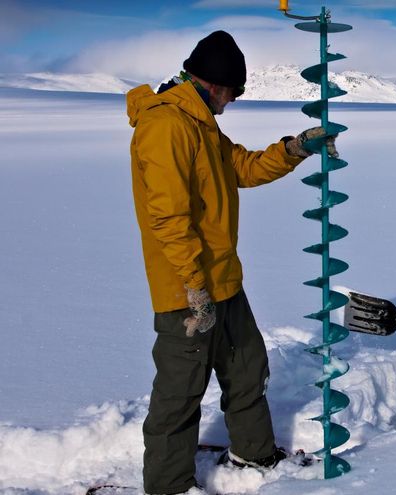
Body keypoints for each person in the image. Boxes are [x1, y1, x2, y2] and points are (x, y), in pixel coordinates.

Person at [126, 30, 337, 494]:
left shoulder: (200, 123)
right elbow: (169, 218)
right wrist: (192, 288)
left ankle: (253, 453)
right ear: (216, 85)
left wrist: (294, 148)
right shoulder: (166, 126)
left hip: (223, 280)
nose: (234, 102)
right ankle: (166, 485)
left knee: (247, 369)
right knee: (180, 393)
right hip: (188, 290)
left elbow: (239, 167)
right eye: (235, 93)